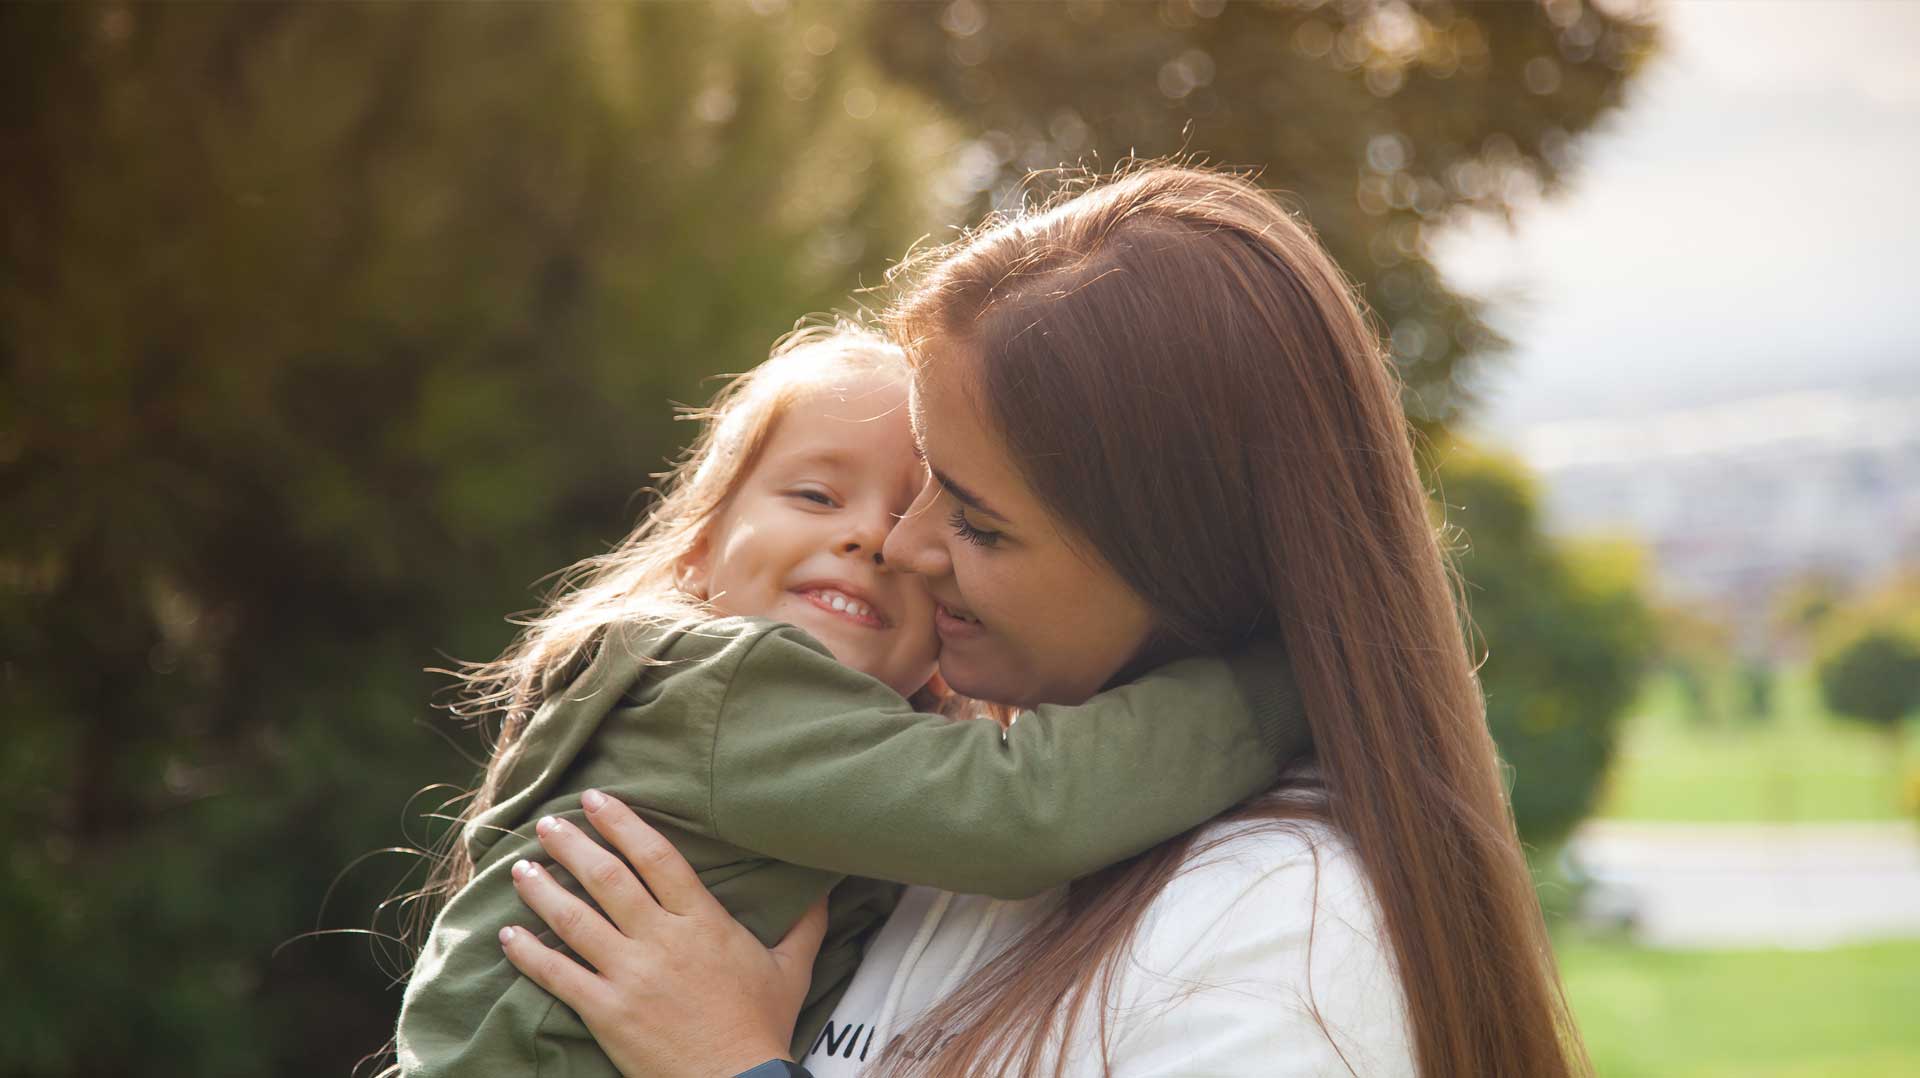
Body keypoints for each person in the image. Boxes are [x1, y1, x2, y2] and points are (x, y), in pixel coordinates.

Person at [499, 165, 1591, 1077]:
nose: (904, 547)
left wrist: (727, 1063)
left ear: (1187, 563)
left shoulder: (1283, 936)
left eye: (973, 517)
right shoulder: (920, 812)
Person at [392, 323, 1308, 1076]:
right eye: (817, 494)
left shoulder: (833, 752)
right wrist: (1284, 673)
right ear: (698, 549)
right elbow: (1022, 808)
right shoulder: (723, 683)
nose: (871, 537)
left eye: (932, 523)